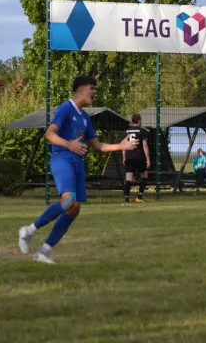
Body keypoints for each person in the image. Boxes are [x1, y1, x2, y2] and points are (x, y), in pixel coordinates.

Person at [18, 76, 139, 264]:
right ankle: (28, 231)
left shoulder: (84, 117)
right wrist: (69, 145)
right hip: (62, 158)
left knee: (74, 210)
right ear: (81, 90)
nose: (94, 92)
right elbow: (49, 134)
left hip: (77, 162)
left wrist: (120, 146)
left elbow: (97, 145)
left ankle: (44, 251)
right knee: (68, 202)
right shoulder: (65, 108)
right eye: (92, 88)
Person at [122, 114, 150, 205]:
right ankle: (139, 197)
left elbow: (123, 146)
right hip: (139, 157)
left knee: (128, 178)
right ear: (138, 121)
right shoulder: (143, 131)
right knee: (144, 175)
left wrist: (124, 157)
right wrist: (148, 159)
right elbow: (145, 146)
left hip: (129, 157)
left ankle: (126, 200)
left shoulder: (126, 131)